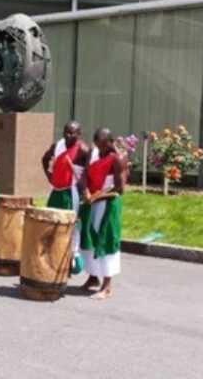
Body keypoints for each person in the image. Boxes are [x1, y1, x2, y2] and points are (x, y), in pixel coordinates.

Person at [79, 128, 127, 300]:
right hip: (91, 201)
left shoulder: (118, 159)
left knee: (106, 240)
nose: (99, 149)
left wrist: (98, 196)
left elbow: (120, 189)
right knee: (89, 238)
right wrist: (85, 191)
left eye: (102, 146)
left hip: (108, 203)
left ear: (109, 142)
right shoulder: (93, 153)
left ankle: (107, 285)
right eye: (97, 145)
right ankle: (92, 277)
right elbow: (84, 174)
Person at [42, 121, 91, 270]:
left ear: (79, 134)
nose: (68, 135)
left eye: (72, 132)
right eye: (66, 132)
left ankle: (72, 258)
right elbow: (44, 159)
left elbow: (88, 173)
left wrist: (85, 191)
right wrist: (49, 176)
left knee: (70, 225)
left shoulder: (83, 149)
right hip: (56, 190)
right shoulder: (58, 145)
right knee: (50, 222)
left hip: (72, 192)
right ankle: (51, 255)